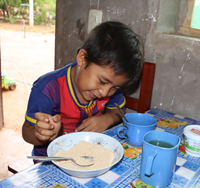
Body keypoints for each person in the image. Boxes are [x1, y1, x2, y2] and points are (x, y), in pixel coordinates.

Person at [22, 21, 144, 157]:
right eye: (102, 81)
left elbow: (119, 111)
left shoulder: (110, 87)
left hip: (90, 155)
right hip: (51, 162)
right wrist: (40, 134)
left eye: (115, 87)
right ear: (82, 58)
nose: (105, 92)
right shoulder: (47, 89)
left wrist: (107, 119)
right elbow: (27, 131)